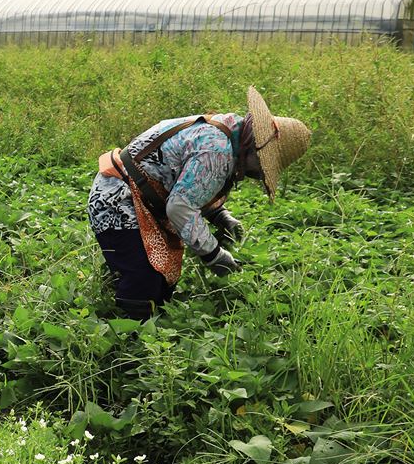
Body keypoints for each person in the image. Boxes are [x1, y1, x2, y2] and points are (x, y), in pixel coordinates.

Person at [87, 87, 311, 320]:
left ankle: (119, 287)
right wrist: (214, 255)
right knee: (145, 286)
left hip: (135, 197)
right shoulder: (217, 150)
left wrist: (219, 215)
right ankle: (125, 342)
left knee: (162, 289)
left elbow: (190, 180)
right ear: (254, 148)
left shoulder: (228, 127)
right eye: (261, 166)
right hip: (116, 203)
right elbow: (180, 207)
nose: (256, 173)